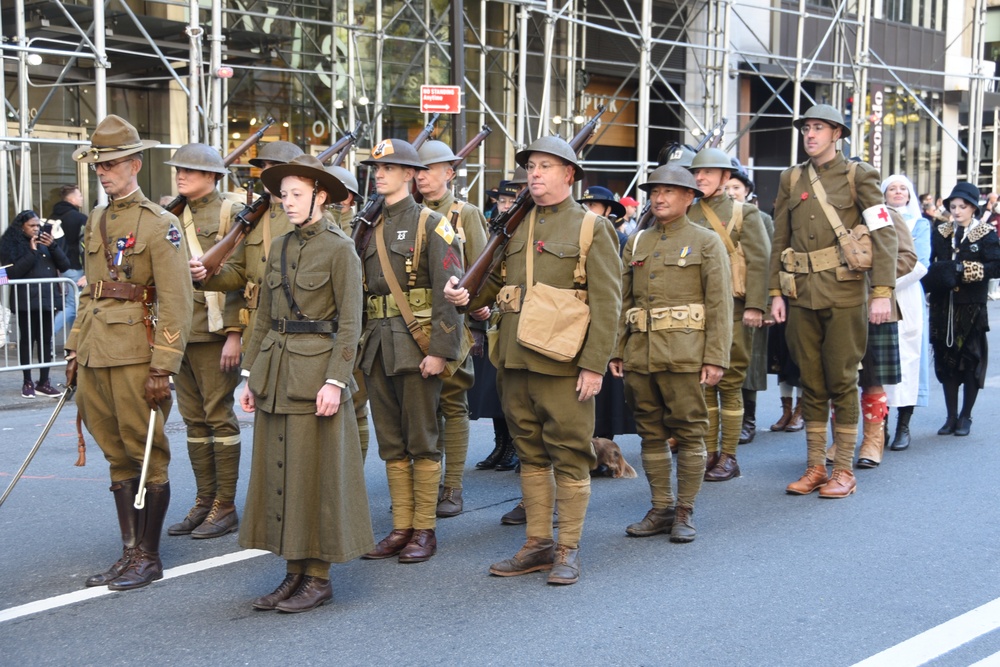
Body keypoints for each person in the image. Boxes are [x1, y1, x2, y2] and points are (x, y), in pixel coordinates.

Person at [444, 135, 622, 585]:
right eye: (531, 166)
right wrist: (465, 295)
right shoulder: (514, 226)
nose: (535, 173)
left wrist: (594, 366)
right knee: (531, 456)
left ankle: (568, 548)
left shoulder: (590, 228)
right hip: (515, 361)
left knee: (570, 457)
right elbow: (491, 290)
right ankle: (538, 544)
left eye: (545, 165)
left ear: (569, 174)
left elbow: (607, 303)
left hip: (564, 365)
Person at [239, 154, 373, 613]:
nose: (287, 203)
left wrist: (336, 381)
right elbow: (263, 317)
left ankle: (318, 577)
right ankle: (293, 571)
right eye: (283, 195)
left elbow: (351, 325)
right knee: (282, 473)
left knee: (314, 476)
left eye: (296, 195)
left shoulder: (341, 249)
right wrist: (249, 374)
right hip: (277, 373)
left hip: (316, 374)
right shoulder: (279, 246)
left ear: (322, 196)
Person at [66, 114, 194, 590]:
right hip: (97, 351)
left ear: (136, 164)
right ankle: (128, 552)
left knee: (146, 454)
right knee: (116, 453)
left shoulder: (161, 225)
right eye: (99, 164)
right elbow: (91, 291)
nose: (104, 172)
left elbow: (178, 302)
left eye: (113, 163)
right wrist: (74, 347)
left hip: (137, 354)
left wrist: (164, 364)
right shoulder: (97, 219)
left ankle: (150, 556)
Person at [768, 104, 897, 498]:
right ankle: (815, 467)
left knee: (842, 380)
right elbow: (779, 239)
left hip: (844, 292)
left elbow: (883, 235)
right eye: (806, 128)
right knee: (811, 381)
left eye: (819, 128)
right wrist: (774, 291)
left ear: (836, 134)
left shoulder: (859, 175)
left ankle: (843, 470)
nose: (810, 134)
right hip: (801, 295)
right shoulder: (791, 178)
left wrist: (881, 292)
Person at [611, 164, 731, 542]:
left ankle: (684, 510)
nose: (659, 198)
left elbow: (719, 305)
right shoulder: (637, 242)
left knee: (691, 432)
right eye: (654, 192)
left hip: (685, 355)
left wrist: (715, 358)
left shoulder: (706, 242)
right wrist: (617, 350)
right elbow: (622, 300)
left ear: (689, 197)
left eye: (668, 192)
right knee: (649, 433)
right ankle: (661, 507)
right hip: (640, 356)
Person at [357, 138, 463, 564]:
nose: (379, 174)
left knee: (422, 438)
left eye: (389, 168)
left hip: (416, 345)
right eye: (376, 168)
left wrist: (440, 350)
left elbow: (448, 293)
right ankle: (401, 526)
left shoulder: (431, 224)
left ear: (409, 174)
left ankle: (424, 529)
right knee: (391, 442)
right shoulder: (367, 229)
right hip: (377, 347)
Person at [161, 143, 245, 539]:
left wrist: (234, 333)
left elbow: (241, 279)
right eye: (179, 170)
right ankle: (204, 501)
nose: (181, 175)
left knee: (218, 416)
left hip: (213, 332)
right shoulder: (169, 213)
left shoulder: (232, 212)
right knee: (193, 420)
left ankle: (224, 506)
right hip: (181, 331)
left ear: (212, 176)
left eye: (190, 171)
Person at [415, 140, 490, 517]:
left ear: (449, 172)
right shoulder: (406, 213)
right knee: (420, 405)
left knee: (452, 403)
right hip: (411, 322)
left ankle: (452, 487)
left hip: (451, 320)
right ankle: (426, 481)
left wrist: (477, 313)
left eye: (430, 169)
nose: (422, 176)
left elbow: (480, 268)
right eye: (418, 169)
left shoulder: (465, 213)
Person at [686, 148, 770, 481]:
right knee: (703, 383)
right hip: (696, 309)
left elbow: (760, 259)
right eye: (697, 172)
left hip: (734, 309)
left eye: (709, 173)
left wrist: (755, 306)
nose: (701, 178)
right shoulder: (688, 212)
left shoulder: (744, 212)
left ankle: (730, 456)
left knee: (730, 382)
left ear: (725, 177)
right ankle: (709, 452)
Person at [922, 182, 1000, 436]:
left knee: (969, 360)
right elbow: (930, 262)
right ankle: (951, 416)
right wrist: (936, 276)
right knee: (946, 361)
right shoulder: (941, 230)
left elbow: (996, 267)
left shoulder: (986, 233)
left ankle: (966, 416)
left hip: (971, 306)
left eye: (962, 206)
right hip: (943, 305)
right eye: (953, 206)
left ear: (973, 208)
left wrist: (966, 270)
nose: (956, 211)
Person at [724, 169, 774, 444]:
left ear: (747, 191)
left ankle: (748, 420)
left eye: (737, 187)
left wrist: (764, 304)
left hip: (748, 301)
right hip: (721, 298)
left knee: (749, 363)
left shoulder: (761, 219)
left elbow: (767, 261)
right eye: (727, 187)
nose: (731, 192)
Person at [881, 175, 931, 451]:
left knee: (908, 358)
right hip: (879, 298)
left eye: (902, 188)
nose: (897, 192)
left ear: (910, 194)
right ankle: (880, 426)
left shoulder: (919, 224)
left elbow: (920, 264)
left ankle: (903, 425)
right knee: (881, 361)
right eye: (892, 188)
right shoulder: (875, 221)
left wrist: (884, 285)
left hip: (907, 295)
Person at [0, 210, 71, 398]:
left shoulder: (47, 243)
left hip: (48, 300)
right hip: (25, 301)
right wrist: (32, 252)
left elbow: (65, 265)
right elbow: (10, 274)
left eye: (38, 225)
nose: (36, 229)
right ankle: (27, 381)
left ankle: (44, 381)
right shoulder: (12, 244)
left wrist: (53, 246)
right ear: (21, 226)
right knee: (27, 340)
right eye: (32, 226)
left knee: (45, 340)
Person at [50, 184, 88, 335]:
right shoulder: (79, 218)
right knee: (72, 306)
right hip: (75, 267)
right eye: (79, 195)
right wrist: (88, 271)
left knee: (74, 306)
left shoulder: (53, 217)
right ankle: (47, 337)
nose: (82, 198)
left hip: (58, 266)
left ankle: (75, 340)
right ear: (72, 199)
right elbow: (86, 245)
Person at [579, 186, 627, 252]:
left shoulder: (620, 240)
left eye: (591, 204)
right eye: (584, 205)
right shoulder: (576, 234)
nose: (586, 209)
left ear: (607, 210)